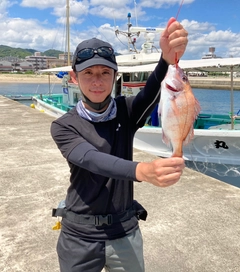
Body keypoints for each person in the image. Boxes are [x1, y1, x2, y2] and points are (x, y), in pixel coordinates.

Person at [51, 17, 188, 272]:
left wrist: (167, 59)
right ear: (74, 77)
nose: (97, 81)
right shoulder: (63, 126)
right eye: (88, 73)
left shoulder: (127, 111)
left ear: (115, 75)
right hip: (78, 236)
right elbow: (91, 159)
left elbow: (151, 92)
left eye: (104, 73)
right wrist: (142, 171)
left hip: (124, 231)